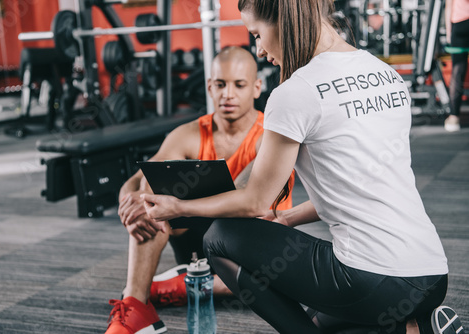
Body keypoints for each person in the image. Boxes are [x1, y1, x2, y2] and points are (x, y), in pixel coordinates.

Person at [141, 1, 466, 334]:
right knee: (318, 321)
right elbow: (361, 184)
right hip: (431, 274)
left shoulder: (295, 91)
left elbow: (255, 200)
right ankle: (416, 325)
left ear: (283, 21)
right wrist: (287, 218)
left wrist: (179, 206)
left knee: (220, 236)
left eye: (257, 34)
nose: (260, 49)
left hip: (374, 281)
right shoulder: (385, 74)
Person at [105, 46, 295, 334]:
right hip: (195, 241)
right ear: (209, 86)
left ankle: (186, 284)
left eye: (239, 85)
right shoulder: (189, 133)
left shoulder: (272, 137)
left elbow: (252, 203)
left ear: (257, 88)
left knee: (281, 278)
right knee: (149, 204)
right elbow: (139, 179)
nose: (228, 94)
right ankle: (135, 306)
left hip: (251, 246)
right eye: (220, 84)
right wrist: (130, 202)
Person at [444, 0, 469, 132]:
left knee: (458, 70)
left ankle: (454, 118)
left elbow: (449, 6)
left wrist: (449, 32)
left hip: (459, 24)